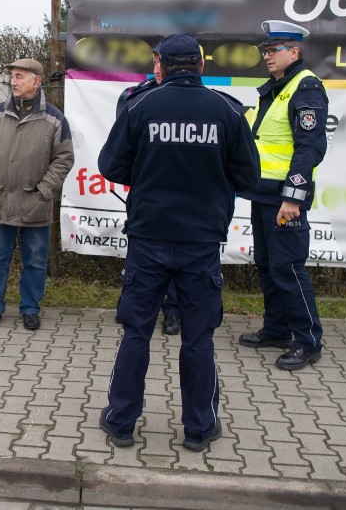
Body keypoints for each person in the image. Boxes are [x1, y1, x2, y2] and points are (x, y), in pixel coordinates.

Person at [98, 34, 260, 451]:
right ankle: (199, 429)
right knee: (198, 337)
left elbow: (110, 164)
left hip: (148, 237)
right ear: (200, 66)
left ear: (161, 67)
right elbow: (249, 178)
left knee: (136, 332)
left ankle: (121, 424)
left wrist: (150, 166)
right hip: (201, 242)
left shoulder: (140, 106)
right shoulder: (227, 111)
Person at [237, 20, 328, 371]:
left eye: (274, 50)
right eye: (265, 51)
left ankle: (308, 341)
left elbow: (309, 147)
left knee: (288, 268)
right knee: (268, 266)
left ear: (295, 50)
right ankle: (276, 329)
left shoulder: (306, 88)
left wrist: (294, 197)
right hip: (264, 192)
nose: (267, 56)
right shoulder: (278, 87)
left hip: (284, 198)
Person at [0, 58, 74, 332]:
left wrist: (43, 190)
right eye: (12, 77)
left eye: (19, 76)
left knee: (36, 262)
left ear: (36, 81)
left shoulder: (54, 119)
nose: (14, 81)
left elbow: (64, 158)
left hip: (35, 205)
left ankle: (30, 308)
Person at [116, 59, 181, 336]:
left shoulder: (188, 97)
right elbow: (120, 149)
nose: (157, 69)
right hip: (146, 194)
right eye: (154, 63)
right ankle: (133, 307)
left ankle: (173, 312)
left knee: (177, 256)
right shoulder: (135, 96)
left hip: (180, 195)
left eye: (162, 64)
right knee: (140, 256)